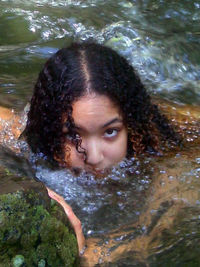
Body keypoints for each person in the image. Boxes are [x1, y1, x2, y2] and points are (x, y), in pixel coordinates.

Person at [1, 42, 199, 264]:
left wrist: (87, 253)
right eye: (73, 135)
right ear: (50, 134)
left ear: (130, 127)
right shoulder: (27, 140)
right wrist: (35, 189)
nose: (94, 158)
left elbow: (148, 237)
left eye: (110, 132)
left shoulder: (162, 160)